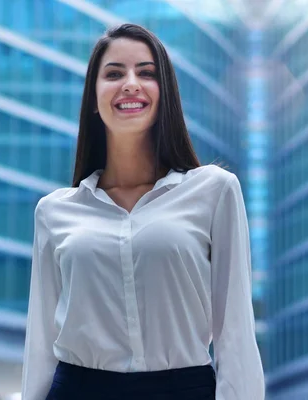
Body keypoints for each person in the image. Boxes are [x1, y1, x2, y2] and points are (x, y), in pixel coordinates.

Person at [21, 23, 264, 400]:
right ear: (94, 96)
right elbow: (40, 347)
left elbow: (236, 336)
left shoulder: (214, 190)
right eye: (114, 73)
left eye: (146, 73)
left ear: (165, 93)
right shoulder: (53, 212)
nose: (130, 83)